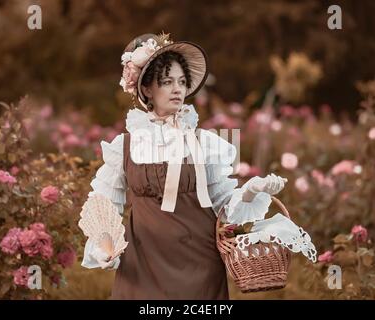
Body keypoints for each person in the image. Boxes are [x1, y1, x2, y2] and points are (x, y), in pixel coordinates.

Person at [80, 33, 287, 299]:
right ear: (146, 89)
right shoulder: (124, 146)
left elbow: (223, 206)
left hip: (199, 265)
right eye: (167, 82)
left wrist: (250, 191)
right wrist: (103, 244)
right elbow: (105, 203)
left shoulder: (206, 143)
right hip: (142, 264)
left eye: (181, 81)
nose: (177, 89)